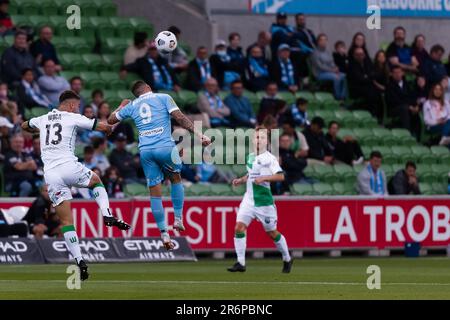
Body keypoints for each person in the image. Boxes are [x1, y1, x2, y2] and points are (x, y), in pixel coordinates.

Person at [21, 90, 131, 281]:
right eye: (78, 106)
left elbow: (24, 125)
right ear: (72, 105)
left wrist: (38, 129)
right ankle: (107, 215)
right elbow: (105, 128)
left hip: (51, 175)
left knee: (65, 222)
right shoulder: (73, 117)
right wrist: (120, 111)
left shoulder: (43, 118)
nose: (79, 109)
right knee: (96, 180)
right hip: (68, 166)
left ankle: (80, 261)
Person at [107, 80, 211, 249]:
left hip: (146, 152)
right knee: (176, 178)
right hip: (164, 147)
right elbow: (179, 117)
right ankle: (178, 219)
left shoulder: (132, 106)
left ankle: (164, 234)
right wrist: (200, 134)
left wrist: (120, 107)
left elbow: (111, 120)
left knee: (155, 193)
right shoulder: (163, 97)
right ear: (147, 87)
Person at [227, 127, 293, 273]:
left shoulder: (270, 158)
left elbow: (281, 176)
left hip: (264, 202)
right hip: (249, 200)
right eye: (257, 137)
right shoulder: (251, 156)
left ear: (267, 141)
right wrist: (242, 179)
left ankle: (287, 258)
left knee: (272, 233)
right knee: (239, 227)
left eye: (262, 138)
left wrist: (265, 177)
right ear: (252, 140)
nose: (259, 140)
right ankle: (241, 263)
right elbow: (251, 174)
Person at [386, 65, 421, 139]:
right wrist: (409, 106)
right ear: (391, 74)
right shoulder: (389, 85)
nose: (397, 74)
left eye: (399, 72)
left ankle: (418, 136)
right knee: (405, 109)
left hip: (408, 106)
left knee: (417, 110)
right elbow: (393, 100)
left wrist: (415, 106)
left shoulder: (407, 84)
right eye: (395, 73)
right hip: (394, 108)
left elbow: (412, 96)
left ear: (402, 73)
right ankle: (407, 134)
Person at [347, 47, 382, 121]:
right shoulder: (351, 65)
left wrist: (367, 76)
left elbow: (375, 74)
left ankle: (379, 117)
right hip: (356, 87)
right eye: (358, 54)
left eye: (361, 54)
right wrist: (368, 76)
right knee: (371, 93)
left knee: (379, 94)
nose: (360, 56)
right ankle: (370, 115)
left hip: (368, 86)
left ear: (364, 55)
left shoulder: (368, 63)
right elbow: (359, 79)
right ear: (354, 55)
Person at [311, 34, 347, 100]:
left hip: (331, 72)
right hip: (320, 73)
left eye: (325, 40)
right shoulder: (315, 52)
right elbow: (320, 66)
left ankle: (343, 96)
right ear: (318, 41)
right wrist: (332, 71)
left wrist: (336, 68)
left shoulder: (328, 51)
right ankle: (338, 97)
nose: (323, 41)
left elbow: (332, 62)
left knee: (345, 76)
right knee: (336, 77)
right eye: (321, 40)